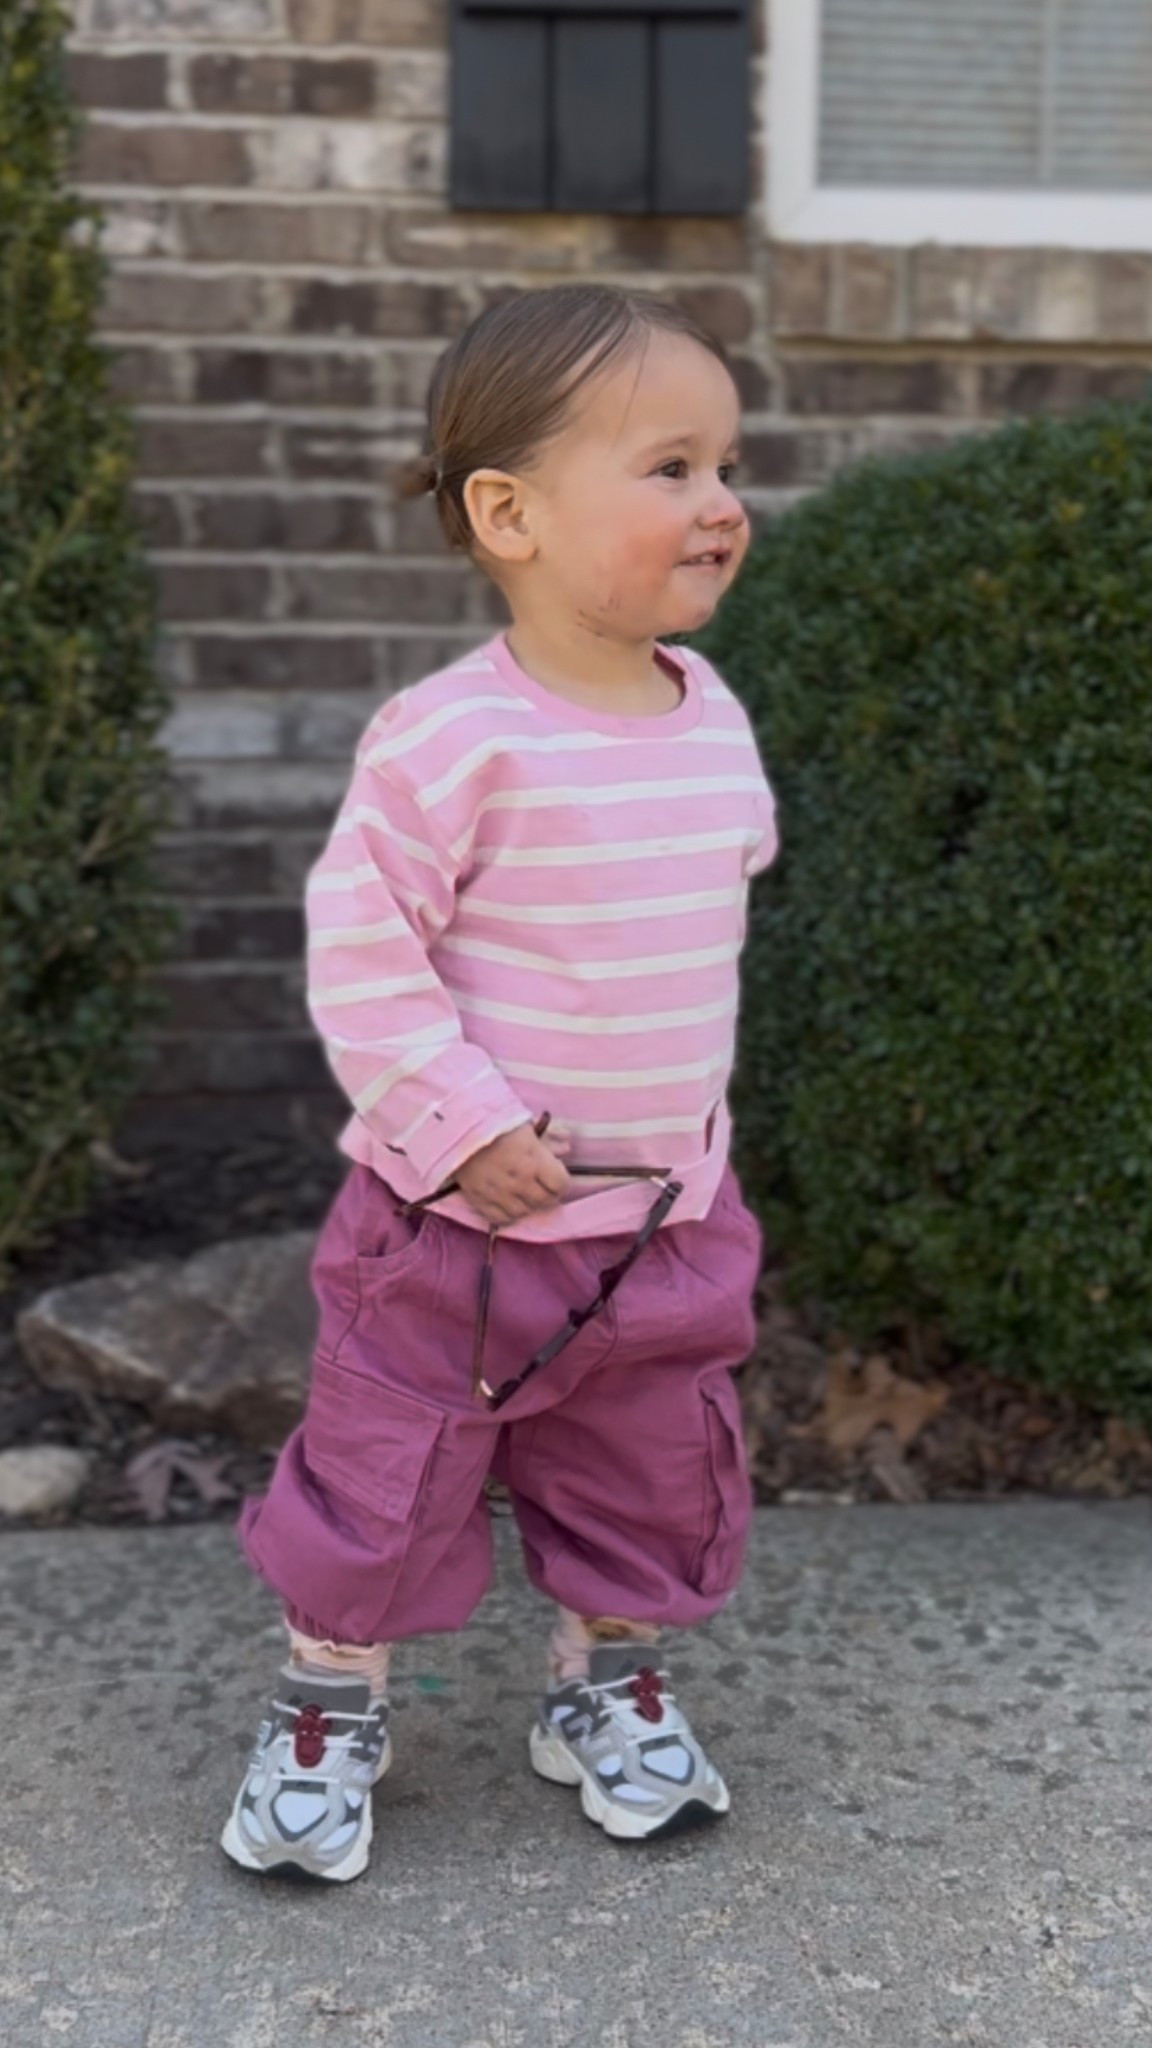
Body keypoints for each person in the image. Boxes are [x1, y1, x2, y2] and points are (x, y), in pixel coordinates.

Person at [221, 282, 779, 1882]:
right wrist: (460, 1128)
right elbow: (366, 948)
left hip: (659, 1220)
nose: (722, 503)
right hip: (458, 1232)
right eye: (668, 469)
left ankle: (600, 1690)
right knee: (384, 1479)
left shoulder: (712, 719)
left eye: (726, 465)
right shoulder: (451, 738)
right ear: (509, 512)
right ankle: (328, 1708)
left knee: (646, 1466)